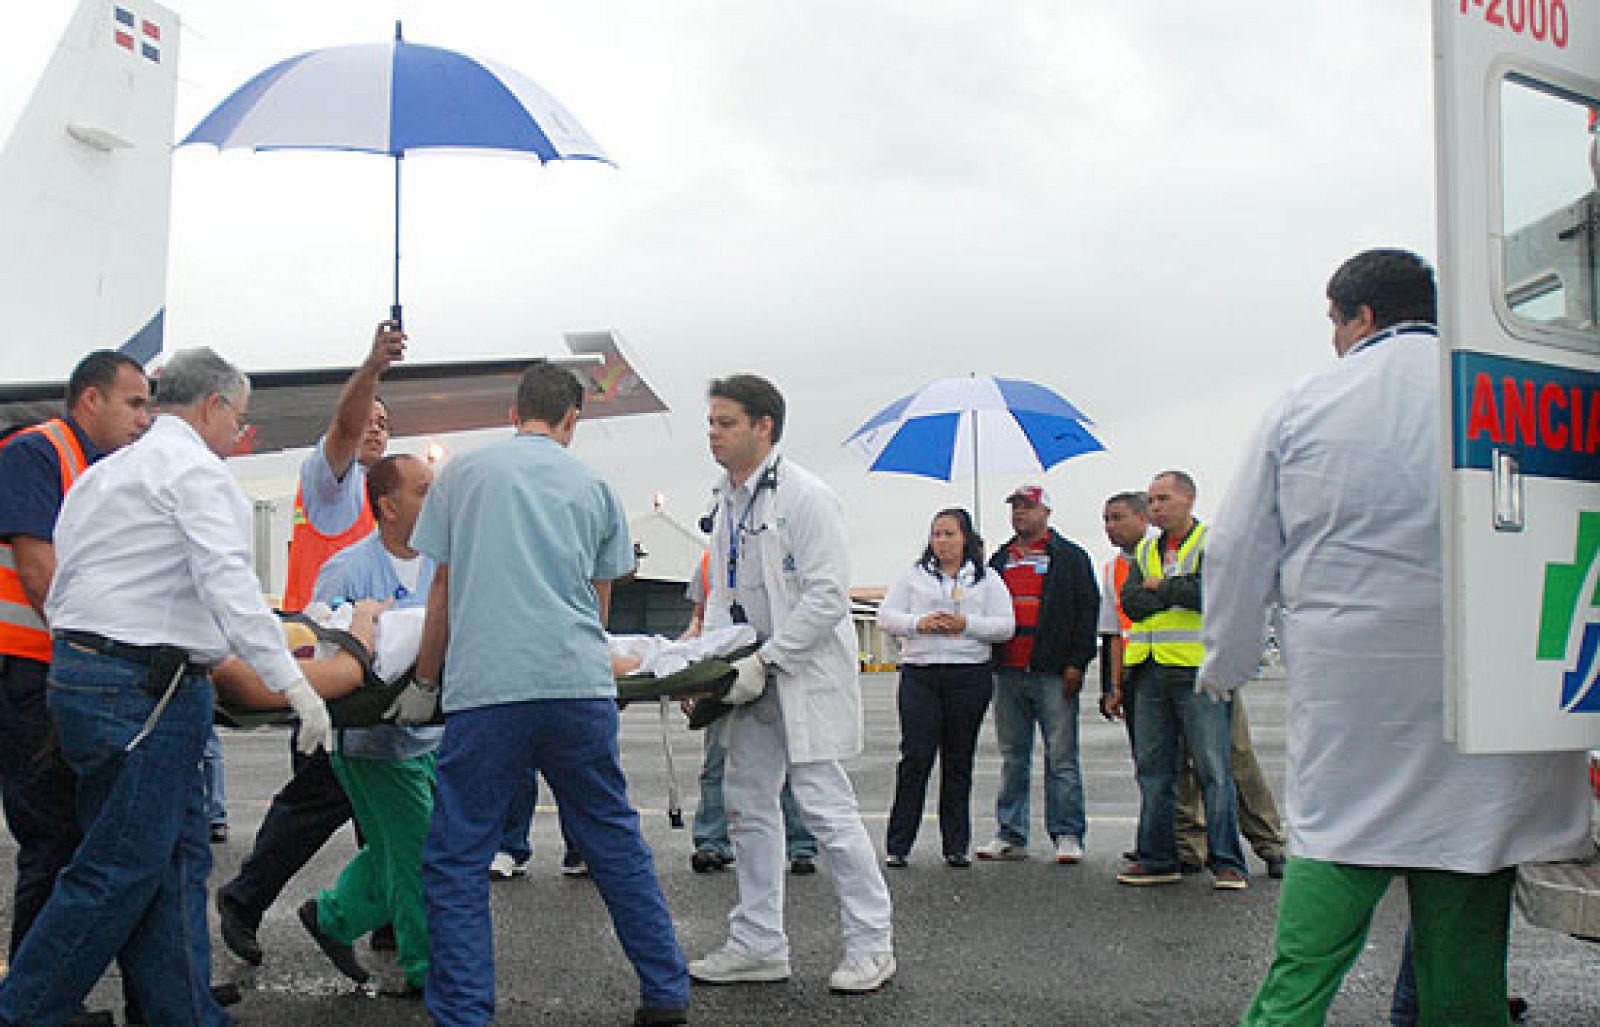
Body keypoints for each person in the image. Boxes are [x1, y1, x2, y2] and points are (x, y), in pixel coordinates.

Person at [1198, 248, 1590, 1023]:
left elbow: (1237, 548)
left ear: (1360, 316)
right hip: (1496, 713)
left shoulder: (1307, 403)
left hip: (1358, 712)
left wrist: (1228, 661)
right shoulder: (1508, 388)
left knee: (1304, 967)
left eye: (1334, 323)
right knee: (1466, 972)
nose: (1334, 339)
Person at [0, 348, 332, 1027]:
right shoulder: (195, 474)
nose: (241, 434)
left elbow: (66, 585)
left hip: (93, 677)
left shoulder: (105, 475)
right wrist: (293, 682)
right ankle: (24, 1010)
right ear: (211, 406)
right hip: (147, 690)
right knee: (117, 868)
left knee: (174, 859)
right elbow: (230, 586)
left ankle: (178, 1009)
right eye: (238, 419)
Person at [406, 360, 689, 1027]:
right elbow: (598, 599)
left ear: (513, 413)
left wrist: (425, 680)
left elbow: (442, 588)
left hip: (488, 688)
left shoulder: (465, 475)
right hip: (574, 684)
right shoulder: (593, 486)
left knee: (458, 852)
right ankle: (665, 987)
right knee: (612, 836)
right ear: (571, 420)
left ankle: (465, 1011)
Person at [685, 374, 895, 995]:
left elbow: (829, 596)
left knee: (827, 811)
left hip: (801, 677)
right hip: (750, 681)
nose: (713, 434)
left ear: (763, 427)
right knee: (748, 808)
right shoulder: (725, 500)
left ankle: (871, 945)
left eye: (725, 423)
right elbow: (723, 593)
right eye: (712, 423)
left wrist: (768, 661)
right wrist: (713, 665)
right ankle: (757, 943)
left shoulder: (806, 496)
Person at [216, 319, 405, 965]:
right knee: (319, 796)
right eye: (367, 419)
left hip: (373, 674)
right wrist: (373, 368)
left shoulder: (398, 503)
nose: (375, 427)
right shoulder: (334, 483)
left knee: (377, 799)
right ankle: (244, 898)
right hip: (320, 662)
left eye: (386, 421)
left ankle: (389, 918)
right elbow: (347, 428)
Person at [0, 351, 151, 968]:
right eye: (135, 402)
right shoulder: (36, 452)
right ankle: (33, 996)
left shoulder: (100, 468)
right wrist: (99, 657)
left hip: (60, 669)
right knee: (53, 833)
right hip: (32, 668)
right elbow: (40, 573)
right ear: (92, 400)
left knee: (81, 832)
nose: (147, 417)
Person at [295, 452, 442, 998]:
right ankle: (428, 970)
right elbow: (318, 640)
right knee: (418, 851)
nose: (435, 499)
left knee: (396, 848)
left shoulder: (441, 563)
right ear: (388, 504)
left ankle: (333, 917)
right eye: (424, 490)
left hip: (430, 733)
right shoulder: (348, 567)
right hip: (373, 742)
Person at [1116, 470, 1250, 890]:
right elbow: (1132, 603)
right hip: (1151, 669)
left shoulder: (1211, 543)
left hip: (1197, 670)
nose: (1156, 507)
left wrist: (1165, 587)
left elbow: (1211, 593)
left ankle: (1227, 861)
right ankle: (1158, 857)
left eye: (1164, 499)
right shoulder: (1146, 551)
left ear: (1188, 499)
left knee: (1213, 768)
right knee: (1154, 771)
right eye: (1152, 500)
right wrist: (1170, 589)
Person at [877, 508, 1014, 868]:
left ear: (965, 538)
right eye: (937, 534)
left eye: (950, 534)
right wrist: (919, 623)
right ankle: (898, 844)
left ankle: (955, 844)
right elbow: (886, 617)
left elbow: (1004, 626)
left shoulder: (985, 579)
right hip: (922, 673)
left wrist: (966, 623)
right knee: (916, 757)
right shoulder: (913, 576)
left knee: (958, 760)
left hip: (967, 674)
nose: (942, 541)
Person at [976, 484, 1099, 864]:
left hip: (1052, 672)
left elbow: (1086, 612)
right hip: (1008, 671)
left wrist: (1077, 662)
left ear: (1046, 512)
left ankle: (1067, 832)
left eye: (1027, 508)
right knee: (1014, 756)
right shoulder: (999, 560)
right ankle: (1011, 832)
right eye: (1015, 508)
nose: (1020, 514)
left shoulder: (1070, 557)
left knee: (1061, 756)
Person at [681, 549, 821, 876]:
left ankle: (800, 846)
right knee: (717, 761)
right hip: (723, 672)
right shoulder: (707, 560)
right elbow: (699, 622)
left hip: (771, 665)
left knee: (786, 761)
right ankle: (711, 843)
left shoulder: (776, 550)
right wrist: (681, 671)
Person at [1098, 491, 1149, 745]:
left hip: (1173, 665)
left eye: (1118, 518)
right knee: (1147, 756)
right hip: (1133, 670)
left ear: (1142, 519)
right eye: (1106, 519)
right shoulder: (1112, 570)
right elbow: (1113, 634)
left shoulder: (1164, 558)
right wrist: (1113, 686)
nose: (1110, 526)